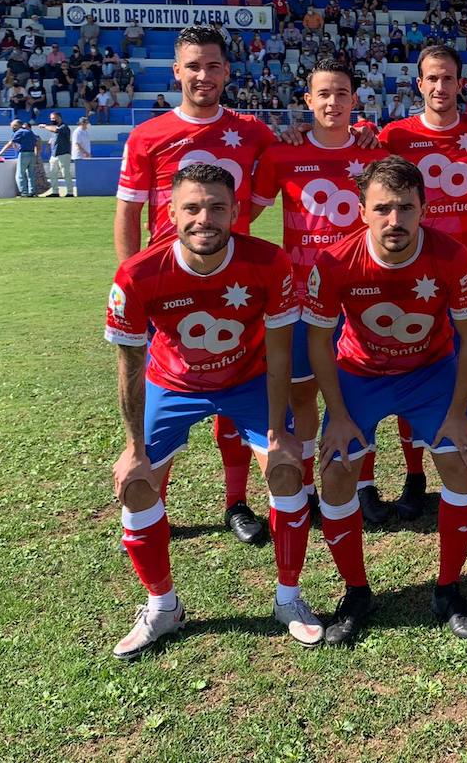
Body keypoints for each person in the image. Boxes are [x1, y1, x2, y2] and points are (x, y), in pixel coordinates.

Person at [105, 163, 321, 658]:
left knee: (288, 471)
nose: (205, 219)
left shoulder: (268, 263)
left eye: (217, 208)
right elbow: (130, 364)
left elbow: (281, 353)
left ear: (236, 213)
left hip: (248, 380)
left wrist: (277, 430)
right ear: (171, 212)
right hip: (171, 383)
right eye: (193, 207)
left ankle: (289, 599)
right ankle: (163, 607)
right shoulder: (138, 274)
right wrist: (133, 448)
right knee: (136, 484)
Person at [303, 158, 467, 643]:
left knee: (460, 465)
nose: (395, 220)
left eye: (406, 207)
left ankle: (448, 590)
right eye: (382, 208)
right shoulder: (334, 262)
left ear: (424, 208)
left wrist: (455, 412)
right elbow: (318, 343)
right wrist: (338, 416)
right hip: (360, 375)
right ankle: (356, 591)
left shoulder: (451, 256)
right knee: (338, 474)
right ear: (361, 212)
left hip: (431, 374)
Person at [114, 25, 282, 545]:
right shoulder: (149, 135)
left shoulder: (254, 132)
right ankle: (150, 498)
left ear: (227, 72)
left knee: (235, 389)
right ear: (177, 71)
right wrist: (134, 283)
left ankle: (237, 502)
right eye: (193, 66)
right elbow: (128, 213)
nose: (203, 75)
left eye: (213, 65)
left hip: (236, 285)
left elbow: (271, 186)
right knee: (171, 385)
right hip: (168, 286)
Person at [247, 63, 388, 524]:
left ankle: (363, 484)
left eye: (342, 94)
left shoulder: (375, 156)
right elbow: (244, 219)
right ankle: (306, 485)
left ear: (354, 101)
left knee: (357, 393)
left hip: (362, 296)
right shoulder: (280, 156)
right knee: (303, 396)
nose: (332, 102)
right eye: (323, 94)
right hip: (303, 299)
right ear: (308, 101)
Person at [378, 44, 467, 514]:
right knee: (412, 376)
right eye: (431, 78)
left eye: (447, 78)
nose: (439, 87)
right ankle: (414, 476)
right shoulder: (394, 136)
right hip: (411, 281)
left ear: (459, 82)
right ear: (419, 83)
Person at [0, 119, 40, 197]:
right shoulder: (29, 132)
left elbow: (9, 144)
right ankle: (32, 192)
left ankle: (24, 192)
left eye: (13, 126)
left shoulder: (19, 132)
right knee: (31, 174)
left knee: (20, 174)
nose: (12, 128)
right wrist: (36, 155)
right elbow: (37, 142)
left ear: (17, 125)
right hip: (32, 154)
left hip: (23, 154)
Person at [37, 112, 77, 198]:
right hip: (54, 154)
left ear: (59, 118)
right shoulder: (55, 128)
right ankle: (55, 191)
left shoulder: (64, 127)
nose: (52, 120)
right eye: (51, 118)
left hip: (63, 154)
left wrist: (44, 126)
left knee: (65, 173)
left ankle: (70, 192)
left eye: (54, 118)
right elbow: (54, 137)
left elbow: (56, 130)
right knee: (52, 174)